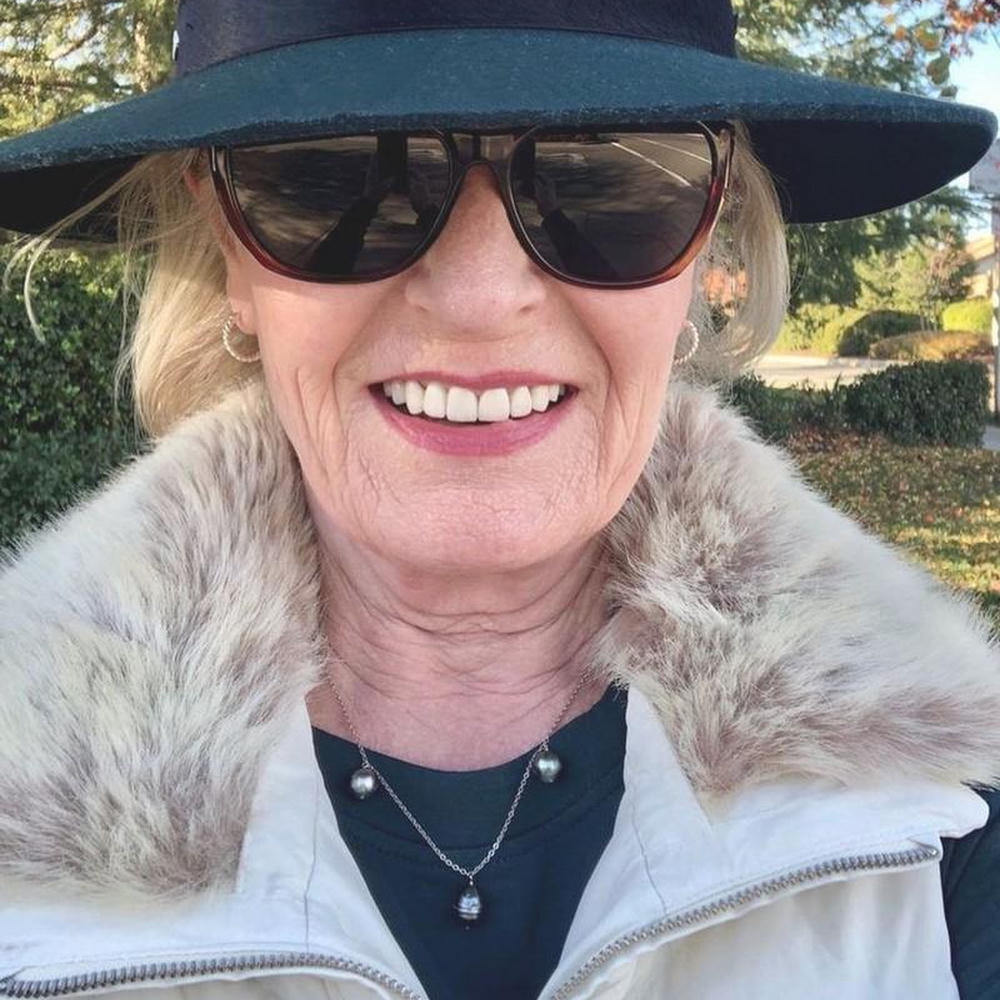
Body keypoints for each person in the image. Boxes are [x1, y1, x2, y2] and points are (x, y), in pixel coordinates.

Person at [0, 2, 998, 998]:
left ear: (703, 251)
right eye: (344, 177)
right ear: (230, 252)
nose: (478, 299)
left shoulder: (943, 815)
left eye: (600, 184)